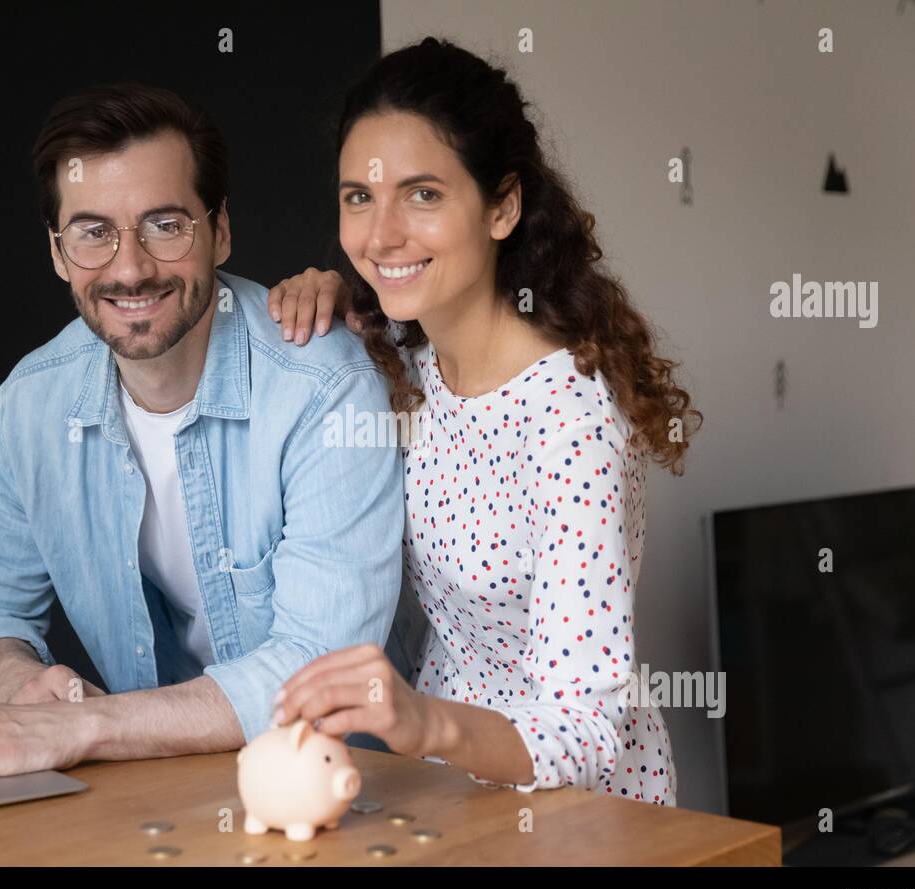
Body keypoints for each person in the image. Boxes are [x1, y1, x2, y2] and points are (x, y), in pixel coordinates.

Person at [0, 82, 403, 787]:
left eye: (165, 225)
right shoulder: (30, 406)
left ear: (219, 230)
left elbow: (324, 671)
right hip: (151, 794)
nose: (130, 267)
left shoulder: (322, 388)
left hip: (341, 797)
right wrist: (25, 690)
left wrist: (79, 727)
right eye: (93, 232)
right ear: (57, 251)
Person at [270, 38, 702, 803]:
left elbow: (586, 730)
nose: (381, 234)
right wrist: (331, 289)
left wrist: (420, 721)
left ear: (502, 206)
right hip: (452, 795)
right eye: (359, 196)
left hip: (581, 813)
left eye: (424, 194)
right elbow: (378, 287)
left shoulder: (573, 425)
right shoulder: (409, 351)